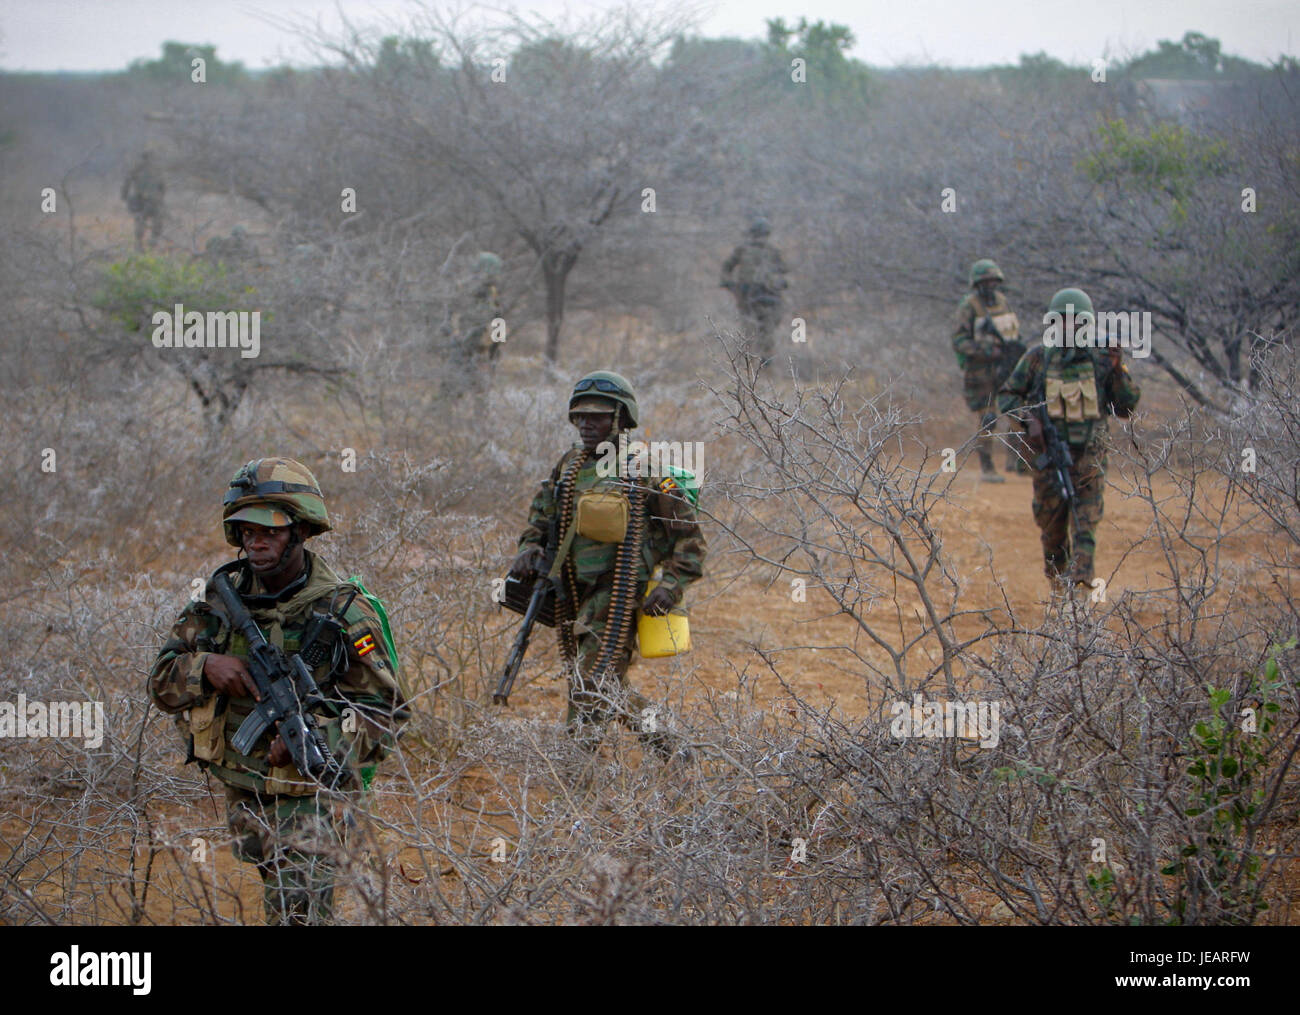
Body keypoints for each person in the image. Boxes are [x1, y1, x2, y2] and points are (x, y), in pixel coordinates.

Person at [149, 457, 407, 924]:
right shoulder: (218, 605)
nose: (257, 542)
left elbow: (386, 713)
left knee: (298, 908)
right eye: (247, 531)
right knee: (275, 889)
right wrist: (205, 666)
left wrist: (315, 743)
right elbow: (162, 683)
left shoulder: (344, 612)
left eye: (270, 531)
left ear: (301, 531)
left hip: (314, 792)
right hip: (244, 788)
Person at [508, 371, 705, 757]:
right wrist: (529, 548)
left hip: (617, 596)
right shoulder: (568, 466)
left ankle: (575, 778)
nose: (586, 424)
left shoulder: (645, 467)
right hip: (569, 594)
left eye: (596, 417)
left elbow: (690, 538)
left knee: (590, 682)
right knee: (603, 684)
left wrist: (671, 586)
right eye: (580, 416)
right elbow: (541, 518)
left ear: (620, 418)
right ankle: (676, 747)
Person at [998, 288, 1141, 588]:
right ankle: (1059, 592)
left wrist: (1117, 371)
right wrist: (1028, 421)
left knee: (1085, 528)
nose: (1068, 326)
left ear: (1086, 323)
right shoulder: (1038, 359)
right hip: (1049, 462)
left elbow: (1126, 407)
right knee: (1052, 533)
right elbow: (1007, 396)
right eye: (1062, 320)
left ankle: (1082, 599)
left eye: (1075, 321)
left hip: (1089, 461)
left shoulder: (1102, 360)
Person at [952, 258, 1027, 480]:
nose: (990, 286)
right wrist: (986, 351)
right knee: (988, 418)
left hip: (1006, 367)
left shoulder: (1003, 302)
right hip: (981, 371)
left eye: (993, 281)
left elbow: (1014, 334)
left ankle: (1015, 461)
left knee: (1015, 412)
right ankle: (987, 467)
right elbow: (959, 341)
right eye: (985, 282)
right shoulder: (969, 307)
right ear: (977, 284)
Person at [720, 218, 788, 367]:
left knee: (767, 326)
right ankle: (747, 361)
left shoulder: (773, 252)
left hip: (768, 294)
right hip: (747, 293)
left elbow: (784, 272)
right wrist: (729, 283)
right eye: (759, 234)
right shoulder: (743, 250)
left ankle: (765, 359)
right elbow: (727, 267)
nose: (760, 238)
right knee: (749, 326)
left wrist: (780, 283)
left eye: (763, 234)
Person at [121, 150, 165, 251]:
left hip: (144, 199)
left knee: (141, 221)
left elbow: (127, 182)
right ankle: (148, 242)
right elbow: (163, 185)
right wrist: (161, 196)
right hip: (148, 200)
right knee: (152, 220)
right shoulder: (155, 169)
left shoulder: (137, 168)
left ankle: (142, 243)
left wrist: (124, 195)